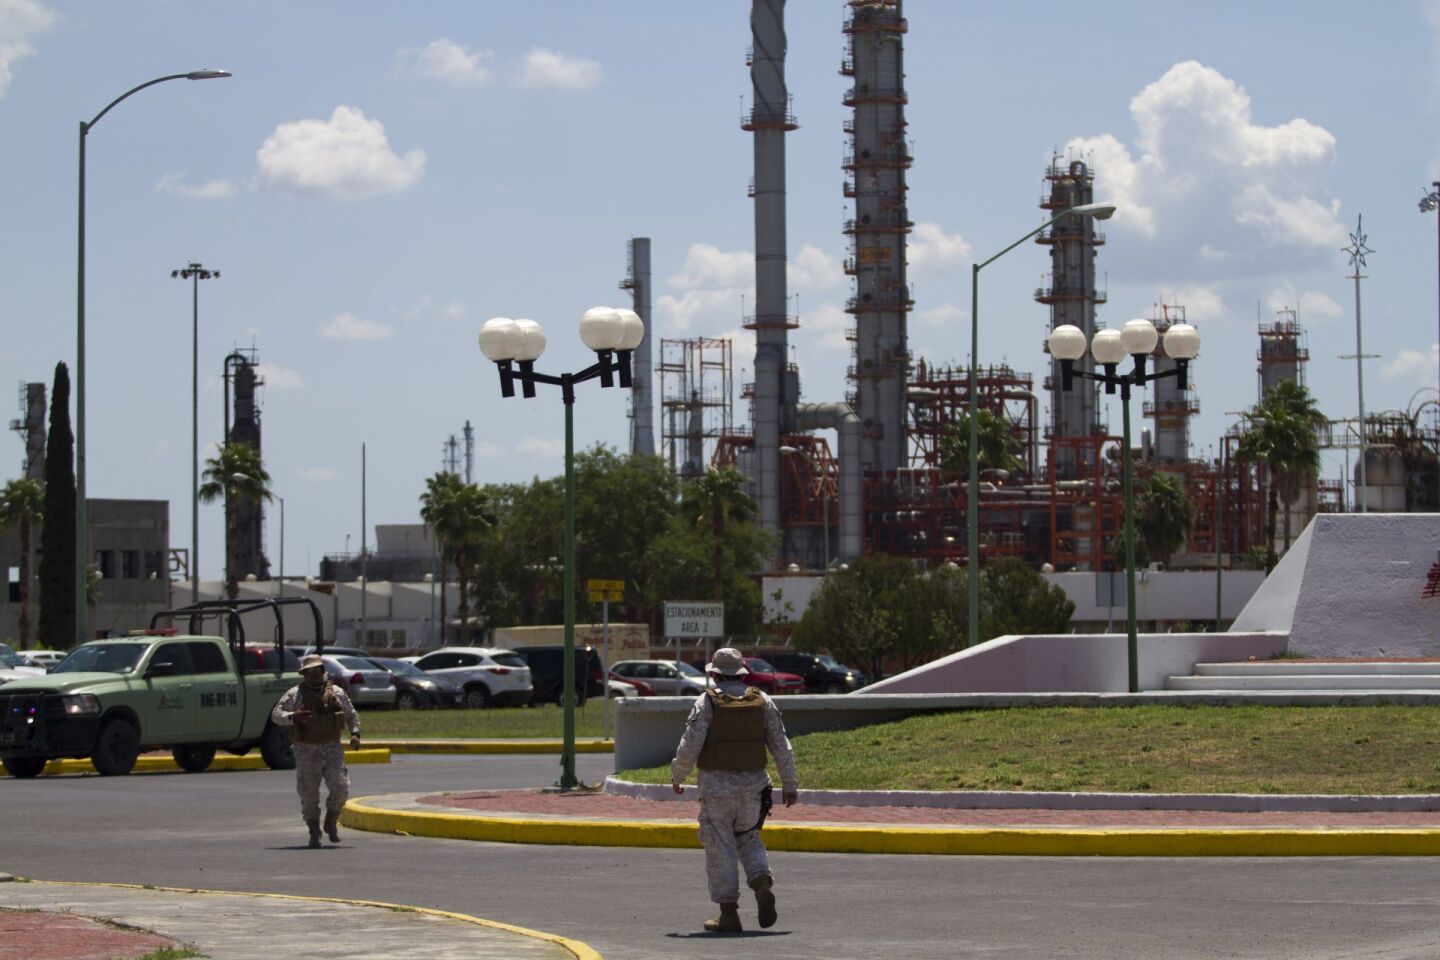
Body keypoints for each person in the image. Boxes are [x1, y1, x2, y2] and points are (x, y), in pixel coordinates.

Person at [670, 647, 799, 934]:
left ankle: (729, 913)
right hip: (754, 787)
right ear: (742, 673)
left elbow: (689, 744)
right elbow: (781, 744)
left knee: (721, 847)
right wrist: (789, 784)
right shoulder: (762, 701)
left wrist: (677, 775)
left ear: (714, 674)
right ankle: (761, 883)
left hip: (717, 789)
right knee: (750, 838)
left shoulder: (707, 703)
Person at [270, 655, 361, 848]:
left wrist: (355, 734)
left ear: (323, 671)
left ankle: (331, 820)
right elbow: (276, 715)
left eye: (317, 670)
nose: (313, 675)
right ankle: (313, 830)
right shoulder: (295, 694)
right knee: (308, 794)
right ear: (303, 674)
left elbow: (351, 715)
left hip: (332, 748)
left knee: (340, 786)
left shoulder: (336, 692)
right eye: (309, 672)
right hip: (306, 751)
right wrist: (294, 717)